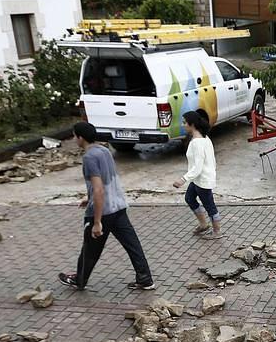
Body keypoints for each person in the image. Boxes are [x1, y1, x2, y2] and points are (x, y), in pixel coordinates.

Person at [58, 121, 155, 291]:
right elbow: (105, 181)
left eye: (74, 136)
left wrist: (97, 222)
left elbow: (99, 189)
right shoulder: (104, 150)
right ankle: (145, 278)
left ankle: (79, 280)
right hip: (118, 206)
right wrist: (88, 198)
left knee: (90, 249)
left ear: (81, 137)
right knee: (132, 245)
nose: (74, 139)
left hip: (103, 211)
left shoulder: (89, 157)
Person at [172, 109, 222, 237]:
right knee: (189, 198)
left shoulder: (197, 143)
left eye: (185, 123)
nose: (183, 125)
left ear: (192, 124)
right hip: (198, 179)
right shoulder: (204, 138)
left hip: (202, 180)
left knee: (210, 206)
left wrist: (183, 179)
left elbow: (198, 167)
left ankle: (217, 232)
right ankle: (203, 225)